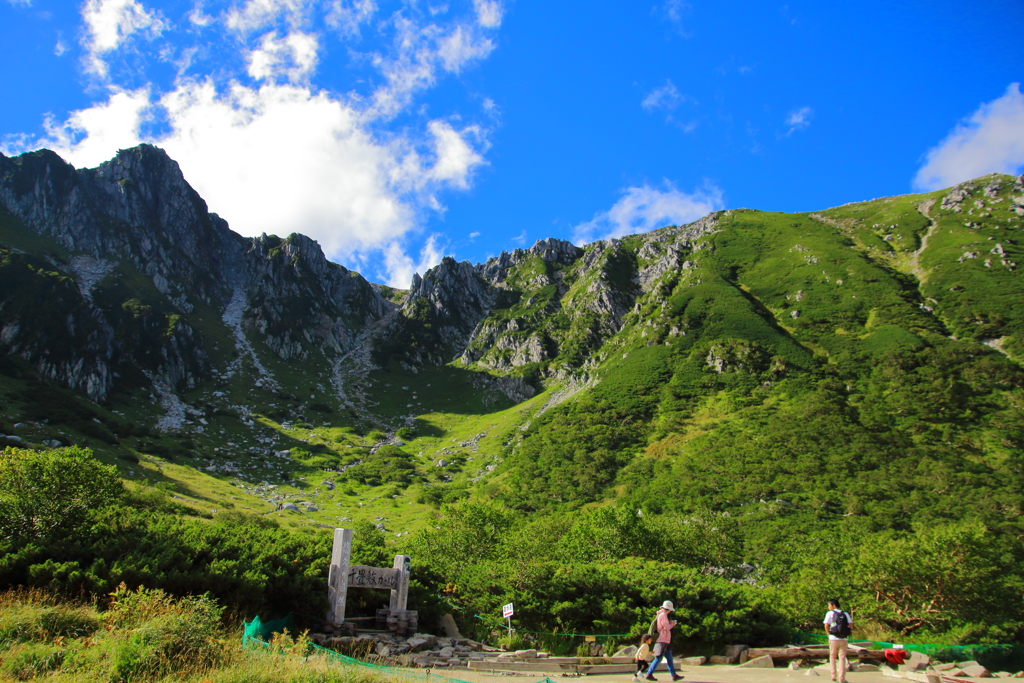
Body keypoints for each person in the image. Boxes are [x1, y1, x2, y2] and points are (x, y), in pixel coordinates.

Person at [645, 601, 683, 681]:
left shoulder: (661, 614)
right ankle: (649, 673)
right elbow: (666, 626)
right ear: (669, 609)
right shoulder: (663, 615)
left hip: (665, 640)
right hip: (662, 639)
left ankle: (673, 675)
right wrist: (672, 624)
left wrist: (670, 623)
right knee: (658, 657)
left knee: (669, 658)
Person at [823, 598, 853, 683]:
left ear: (833, 605)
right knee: (842, 658)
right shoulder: (845, 613)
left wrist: (828, 634)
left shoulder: (830, 613)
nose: (828, 607)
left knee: (832, 656)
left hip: (833, 638)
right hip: (844, 638)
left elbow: (826, 625)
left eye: (829, 605)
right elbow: (851, 625)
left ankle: (833, 676)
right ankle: (842, 678)